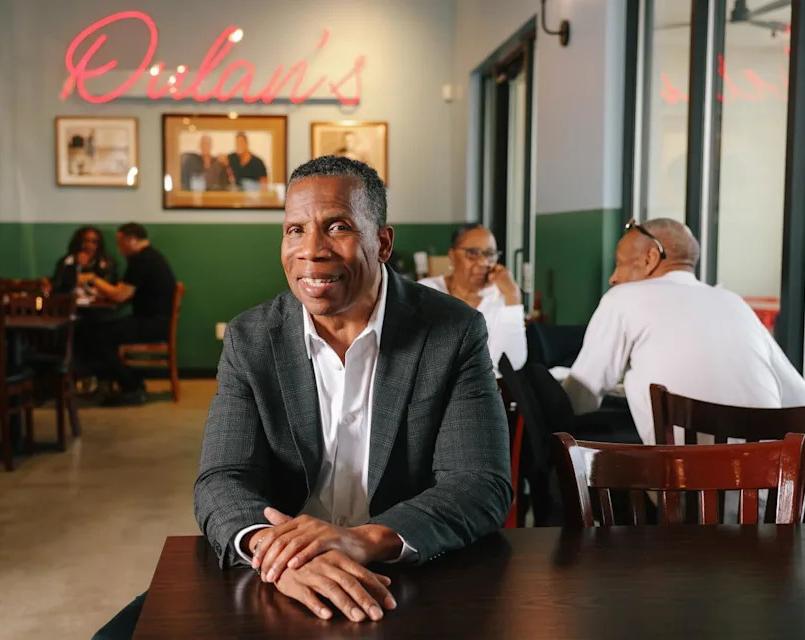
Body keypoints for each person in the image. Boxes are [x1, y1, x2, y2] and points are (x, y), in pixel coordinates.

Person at [92, 156, 511, 638]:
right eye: (295, 230)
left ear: (383, 242)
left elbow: (480, 483)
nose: (312, 250)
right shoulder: (251, 339)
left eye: (337, 227)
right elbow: (221, 480)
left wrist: (364, 539)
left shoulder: (451, 332)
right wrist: (277, 555)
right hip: (276, 573)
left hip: (402, 569)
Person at [564, 217, 805, 446]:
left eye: (619, 264)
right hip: (771, 492)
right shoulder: (733, 302)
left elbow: (580, 400)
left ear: (650, 259)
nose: (613, 278)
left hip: (684, 489)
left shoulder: (621, 297)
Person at [77, 223, 176, 407]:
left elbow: (120, 295)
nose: (119, 249)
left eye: (120, 243)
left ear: (132, 240)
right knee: (99, 332)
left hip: (151, 323)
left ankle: (131, 386)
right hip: (156, 321)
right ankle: (126, 381)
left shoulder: (141, 260)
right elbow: (125, 293)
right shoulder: (151, 256)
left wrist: (93, 279)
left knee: (97, 336)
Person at [418, 224, 526, 376]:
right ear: (452, 255)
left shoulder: (499, 296)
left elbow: (511, 362)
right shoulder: (428, 292)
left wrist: (513, 297)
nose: (483, 263)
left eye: (490, 254)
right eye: (472, 253)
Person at [47, 226, 118, 296]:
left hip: (97, 305)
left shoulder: (106, 263)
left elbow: (109, 288)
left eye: (94, 242)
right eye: (86, 241)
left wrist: (87, 270)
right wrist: (77, 267)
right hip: (70, 304)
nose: (89, 246)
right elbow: (57, 285)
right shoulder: (68, 260)